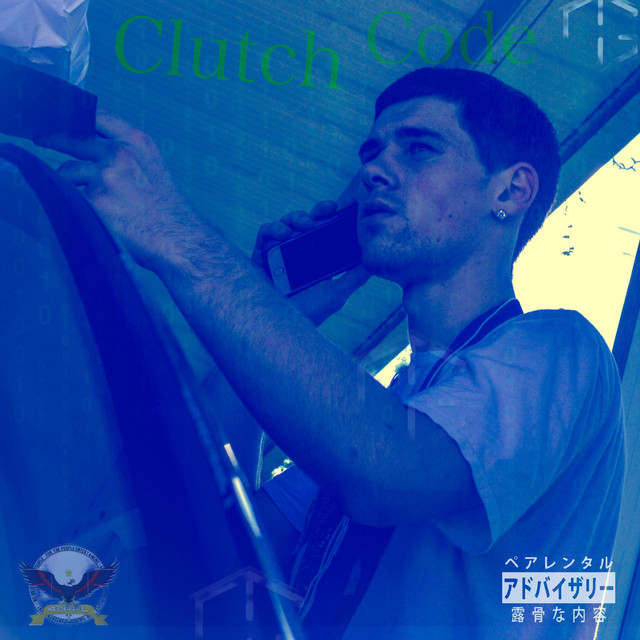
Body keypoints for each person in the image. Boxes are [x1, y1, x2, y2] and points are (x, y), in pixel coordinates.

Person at [38, 67, 625, 639]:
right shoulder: (389, 413)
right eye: (372, 152)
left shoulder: (562, 352)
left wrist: (180, 239)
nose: (374, 170)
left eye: (419, 148)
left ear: (510, 191)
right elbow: (207, 530)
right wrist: (283, 311)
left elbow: (386, 472)